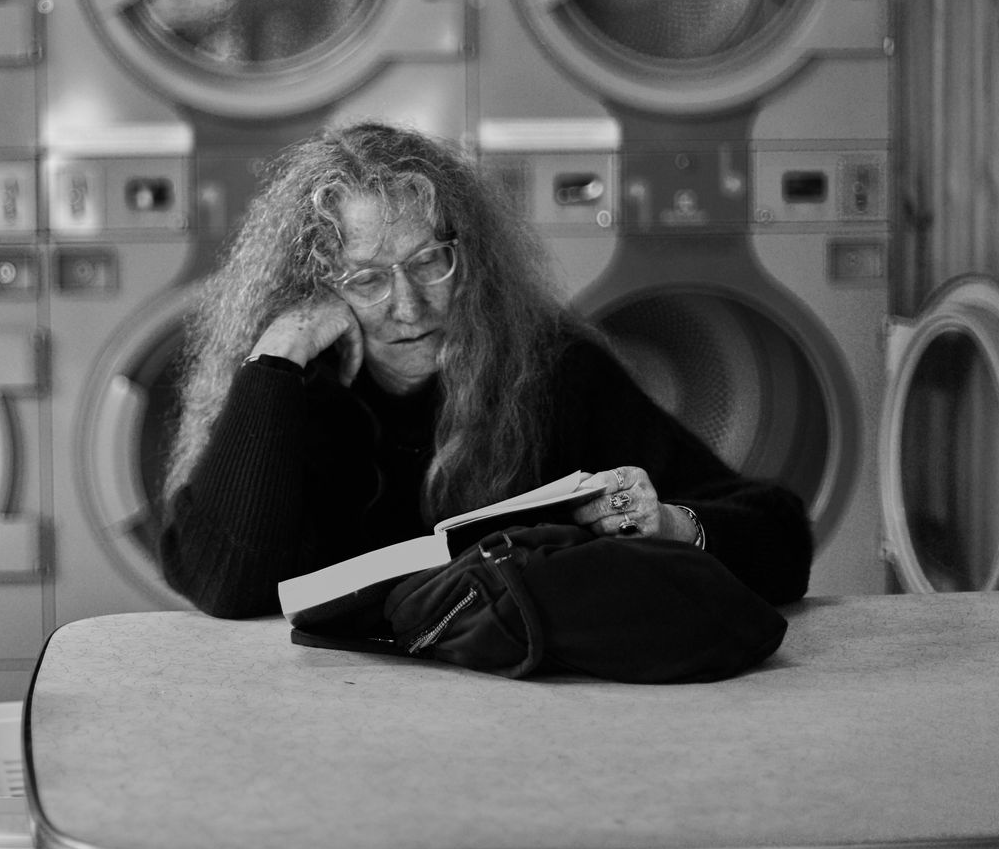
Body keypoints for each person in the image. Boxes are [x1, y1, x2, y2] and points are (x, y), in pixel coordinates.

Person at [157, 120, 813, 618]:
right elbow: (222, 588)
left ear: (467, 252)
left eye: (427, 261)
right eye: (366, 279)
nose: (408, 304)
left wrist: (670, 525)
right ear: (317, 283)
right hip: (327, 725)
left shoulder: (549, 367)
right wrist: (277, 356)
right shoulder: (292, 389)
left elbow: (782, 543)